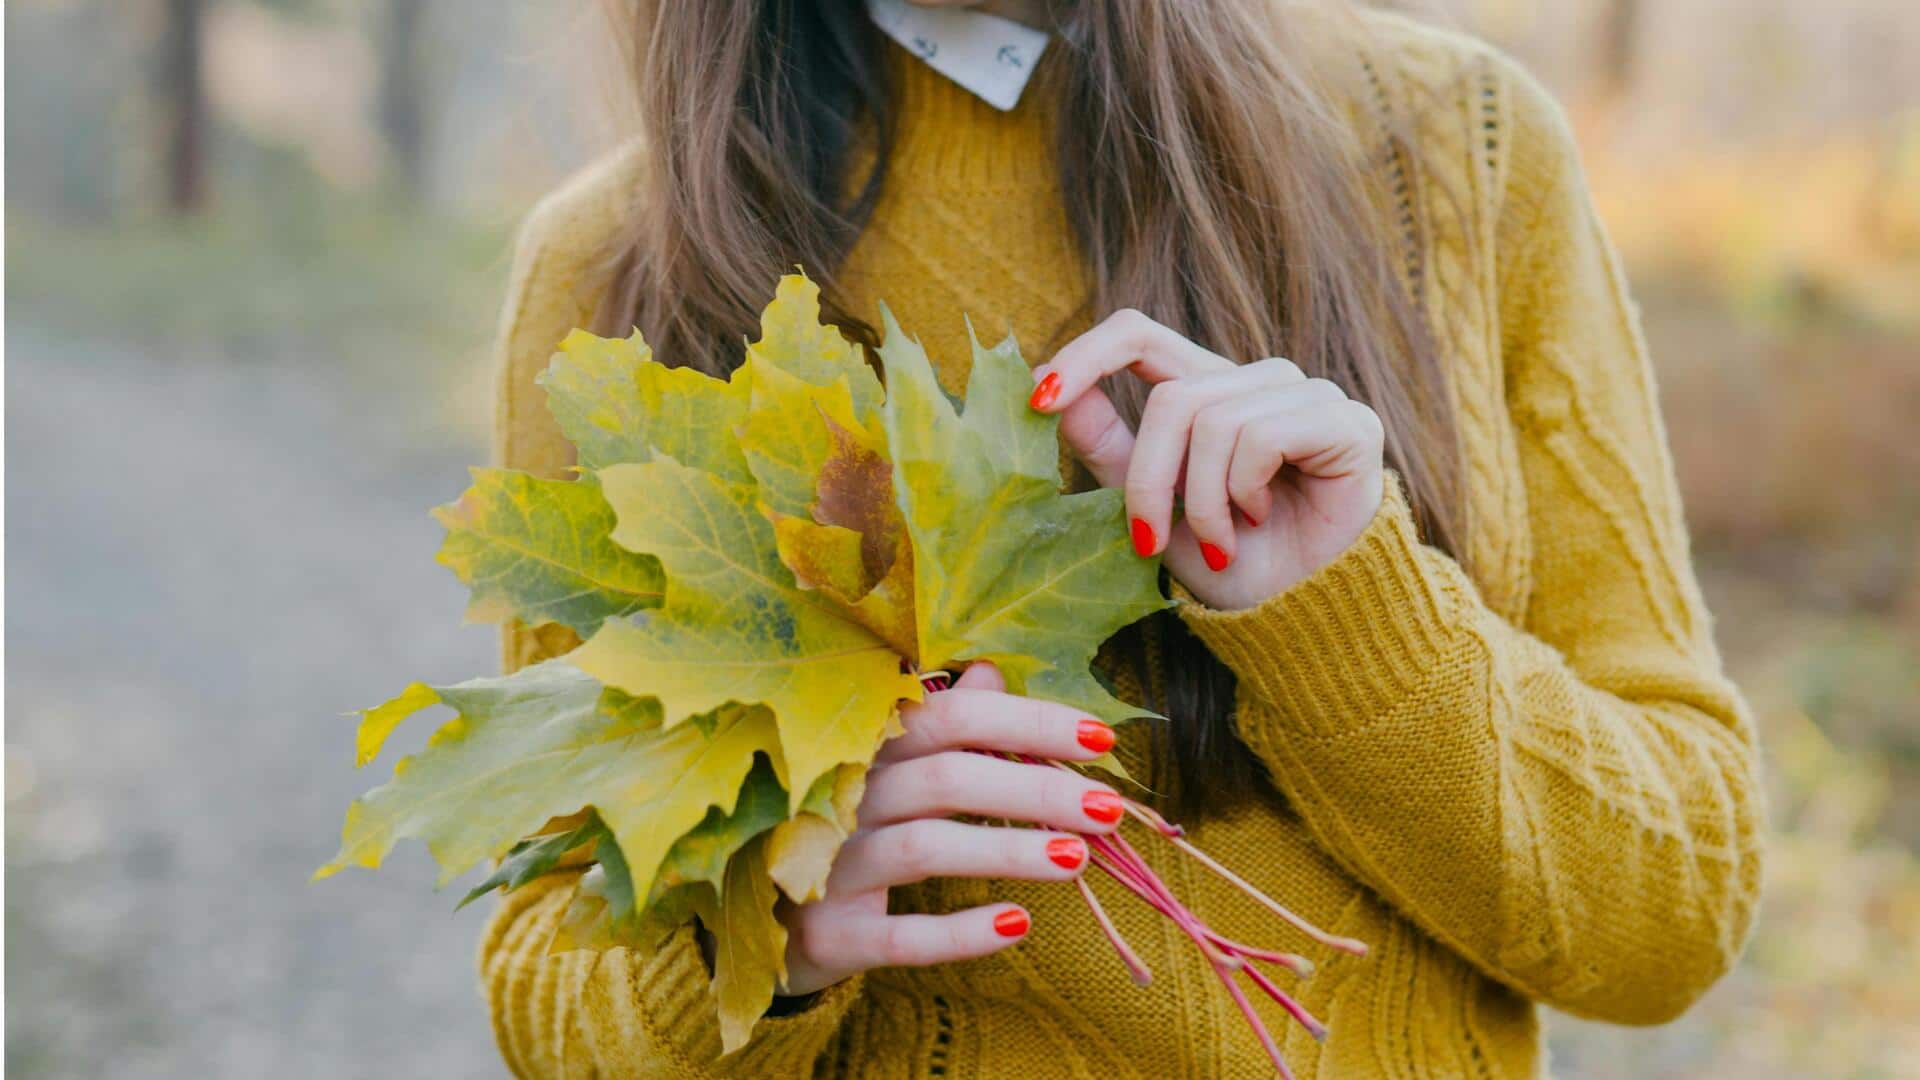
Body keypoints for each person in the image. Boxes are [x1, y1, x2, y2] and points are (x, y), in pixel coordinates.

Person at [477, 1, 1765, 1076]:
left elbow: (1676, 910)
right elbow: (546, 970)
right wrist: (753, 927)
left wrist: (1356, 627)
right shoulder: (621, 267)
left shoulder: (1448, 149)